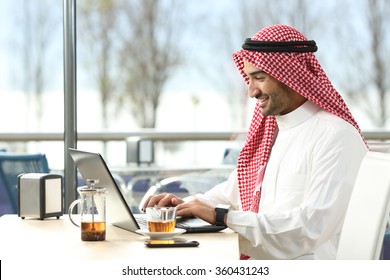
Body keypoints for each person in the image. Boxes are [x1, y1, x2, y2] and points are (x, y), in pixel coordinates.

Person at [143, 24, 368, 260]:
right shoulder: (272, 131)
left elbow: (308, 229)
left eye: (259, 78)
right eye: (249, 79)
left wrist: (221, 216)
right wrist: (184, 205)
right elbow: (231, 193)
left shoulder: (336, 137)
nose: (251, 92)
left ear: (290, 76)